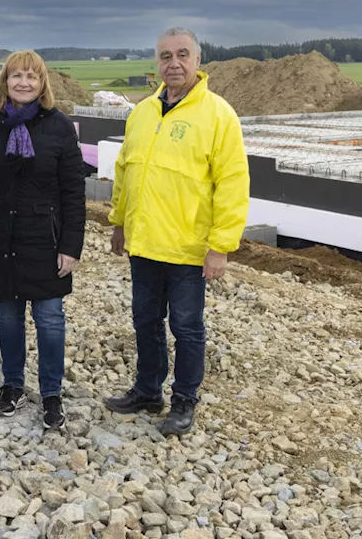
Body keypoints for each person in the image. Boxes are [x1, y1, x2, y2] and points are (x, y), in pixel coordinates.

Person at [104, 27, 250, 436]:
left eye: (182, 54)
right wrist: (119, 221)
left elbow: (234, 184)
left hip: (188, 249)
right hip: (145, 243)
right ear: (157, 63)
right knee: (145, 321)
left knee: (186, 328)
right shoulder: (143, 112)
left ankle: (185, 400)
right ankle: (148, 390)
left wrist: (220, 247)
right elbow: (124, 171)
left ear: (199, 60)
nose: (174, 63)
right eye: (166, 56)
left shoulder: (218, 115)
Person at [0, 50, 85, 430]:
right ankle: (12, 385)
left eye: (32, 76)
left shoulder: (60, 127)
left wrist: (70, 245)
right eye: (17, 75)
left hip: (44, 238)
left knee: (49, 318)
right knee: (8, 314)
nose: (24, 82)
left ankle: (51, 393)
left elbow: (73, 191)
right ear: (5, 81)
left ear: (42, 82)